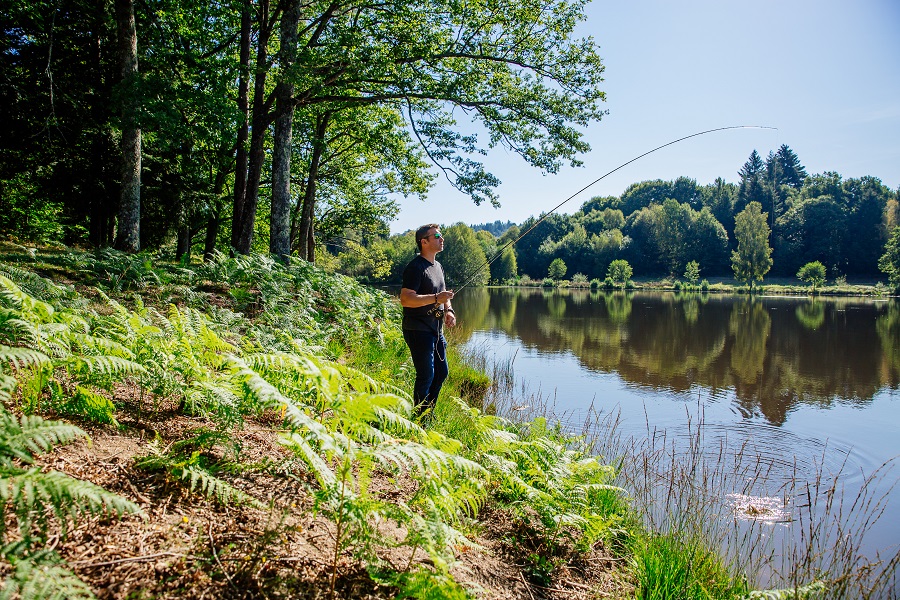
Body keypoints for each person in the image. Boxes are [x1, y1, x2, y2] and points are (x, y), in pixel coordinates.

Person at [399, 224, 456, 420]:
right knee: (426, 377)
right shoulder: (415, 267)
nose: (442, 239)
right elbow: (406, 299)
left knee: (442, 373)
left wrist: (449, 310)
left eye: (441, 235)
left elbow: (444, 294)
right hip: (418, 330)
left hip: (436, 331)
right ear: (424, 242)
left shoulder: (438, 266)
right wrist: (435, 299)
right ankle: (418, 419)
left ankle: (427, 414)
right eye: (437, 236)